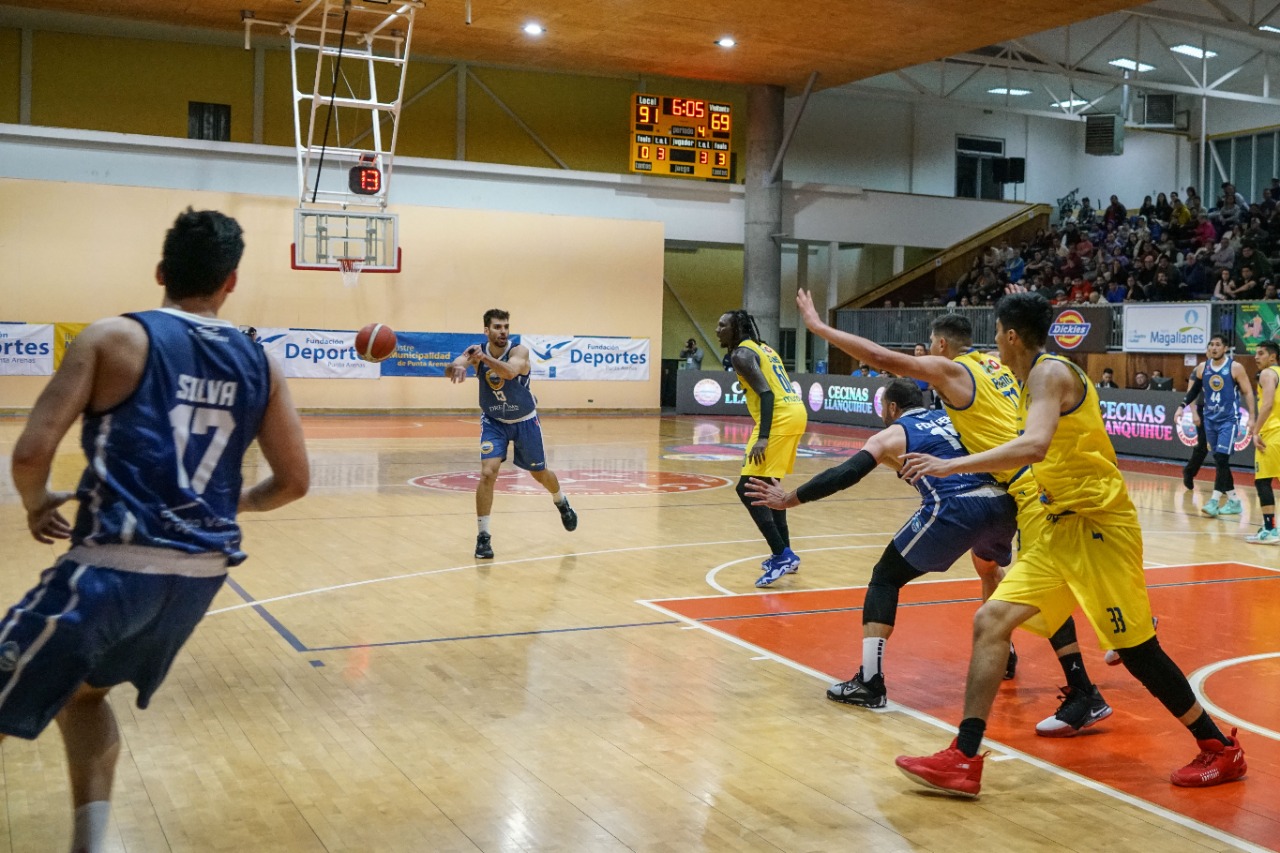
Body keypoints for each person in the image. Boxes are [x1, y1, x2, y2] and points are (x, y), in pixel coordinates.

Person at [3, 208, 311, 852]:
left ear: (160, 272)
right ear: (231, 281)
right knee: (83, 698)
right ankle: (95, 844)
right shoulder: (261, 362)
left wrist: (37, 503)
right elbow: (293, 482)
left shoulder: (112, 339)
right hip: (196, 581)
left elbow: (31, 453)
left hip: (111, 569)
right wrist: (235, 507)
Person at [894, 292, 1247, 797]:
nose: (993, 342)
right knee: (990, 621)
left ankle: (1219, 748)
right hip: (1059, 529)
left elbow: (1034, 446)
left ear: (1010, 336)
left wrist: (948, 466)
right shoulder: (1025, 379)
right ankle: (964, 758)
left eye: (997, 333)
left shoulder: (1049, 373)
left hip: (1099, 527)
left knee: (1138, 651)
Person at [796, 291, 1108, 725]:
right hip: (1036, 487)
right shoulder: (1002, 365)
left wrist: (820, 328)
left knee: (1040, 589)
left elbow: (881, 357)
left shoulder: (952, 372)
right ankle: (1017, 651)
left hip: (1029, 489)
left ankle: (1085, 687)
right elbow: (1037, 350)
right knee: (1006, 576)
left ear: (941, 345)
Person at [744, 379, 1017, 708]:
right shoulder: (953, 418)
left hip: (955, 508)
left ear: (891, 408)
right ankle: (1005, 653)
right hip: (1002, 504)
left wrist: (789, 499)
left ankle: (870, 683)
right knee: (988, 567)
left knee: (885, 577)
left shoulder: (892, 434)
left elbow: (847, 472)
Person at [447, 309, 578, 559]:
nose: (503, 331)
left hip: (525, 421)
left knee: (540, 474)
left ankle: (561, 501)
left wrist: (482, 359)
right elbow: (457, 364)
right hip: (494, 420)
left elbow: (508, 372)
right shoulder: (476, 352)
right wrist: (456, 366)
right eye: (497, 327)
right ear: (487, 330)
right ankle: (483, 537)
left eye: (506, 326)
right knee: (488, 472)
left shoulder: (519, 352)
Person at [715, 309, 808, 587]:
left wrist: (763, 437)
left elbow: (766, 394)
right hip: (794, 412)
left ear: (737, 328)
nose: (717, 329)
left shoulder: (741, 355)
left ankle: (781, 555)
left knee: (748, 488)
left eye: (722, 325)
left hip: (778, 418)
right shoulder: (762, 347)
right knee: (770, 487)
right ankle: (787, 554)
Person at [1175, 335, 1256, 517]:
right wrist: (1181, 407)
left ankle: (1214, 501)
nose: (1213, 347)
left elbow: (1248, 392)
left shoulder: (1235, 367)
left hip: (1228, 419)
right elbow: (1193, 391)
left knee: (1221, 458)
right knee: (1220, 460)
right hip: (1209, 419)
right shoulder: (1203, 368)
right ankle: (1234, 500)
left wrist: (1251, 417)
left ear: (1225, 348)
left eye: (1218, 345)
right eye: (1211, 344)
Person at [1246, 341, 1280, 544]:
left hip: (1273, 433)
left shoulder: (1268, 374)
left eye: (1261, 353)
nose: (1256, 357)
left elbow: (1267, 404)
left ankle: (1270, 529)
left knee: (1263, 480)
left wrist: (1256, 431)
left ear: (1273, 357)